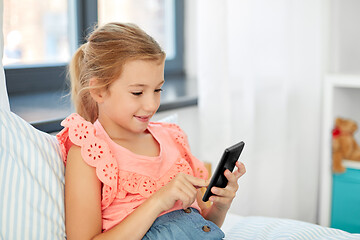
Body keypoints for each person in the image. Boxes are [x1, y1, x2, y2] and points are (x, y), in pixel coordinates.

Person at [56, 22, 246, 240]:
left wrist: (221, 206)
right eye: (137, 92)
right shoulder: (89, 153)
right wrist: (157, 201)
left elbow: (203, 228)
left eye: (157, 89)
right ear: (99, 91)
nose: (151, 104)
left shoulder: (174, 138)